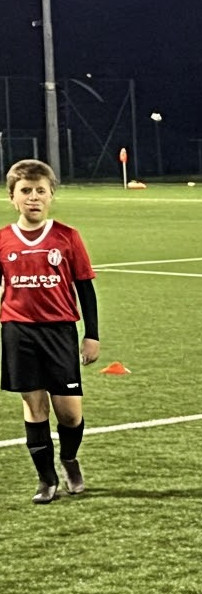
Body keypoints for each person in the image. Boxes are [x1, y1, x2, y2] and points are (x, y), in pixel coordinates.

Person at [0, 159, 99, 504]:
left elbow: (85, 287)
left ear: (51, 195)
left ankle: (69, 459)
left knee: (70, 413)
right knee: (35, 407)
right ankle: (46, 479)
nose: (33, 197)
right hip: (18, 332)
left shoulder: (67, 237)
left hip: (60, 332)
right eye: (25, 191)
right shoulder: (2, 240)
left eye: (40, 190)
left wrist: (92, 334)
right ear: (12, 197)